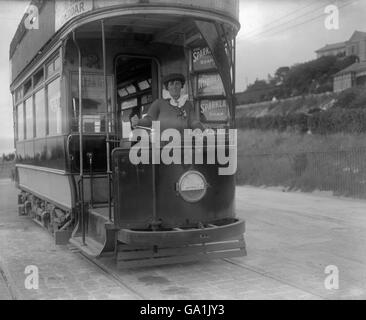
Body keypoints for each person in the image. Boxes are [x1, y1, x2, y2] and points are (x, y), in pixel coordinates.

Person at [131, 73, 203, 132]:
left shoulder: (187, 104)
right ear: (167, 87)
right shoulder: (158, 103)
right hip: (163, 145)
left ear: (181, 86)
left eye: (177, 83)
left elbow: (193, 121)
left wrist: (201, 129)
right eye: (171, 84)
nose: (174, 87)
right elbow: (149, 119)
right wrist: (138, 122)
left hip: (183, 144)